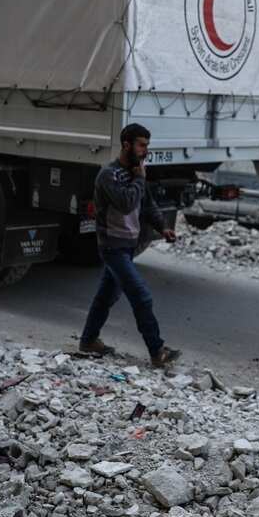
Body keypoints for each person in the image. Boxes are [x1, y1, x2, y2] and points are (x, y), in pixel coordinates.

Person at [78, 123, 181, 367]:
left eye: (147, 145)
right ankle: (157, 352)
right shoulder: (109, 175)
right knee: (141, 296)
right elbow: (126, 203)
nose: (146, 151)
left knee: (105, 296)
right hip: (112, 246)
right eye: (142, 145)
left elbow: (146, 204)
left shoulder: (136, 174)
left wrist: (163, 227)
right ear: (127, 145)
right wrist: (139, 179)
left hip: (128, 246)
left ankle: (88, 341)